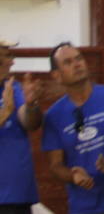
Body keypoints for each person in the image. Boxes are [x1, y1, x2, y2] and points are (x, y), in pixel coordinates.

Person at [41, 44, 104, 214]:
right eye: (68, 62)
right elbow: (55, 165)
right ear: (56, 76)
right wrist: (73, 176)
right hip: (84, 207)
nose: (77, 64)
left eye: (79, 58)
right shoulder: (54, 115)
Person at [0, 39, 43, 214]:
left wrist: (31, 104)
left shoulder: (14, 89)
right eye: (4, 57)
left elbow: (29, 123)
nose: (12, 62)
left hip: (16, 196)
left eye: (10, 56)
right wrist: (4, 113)